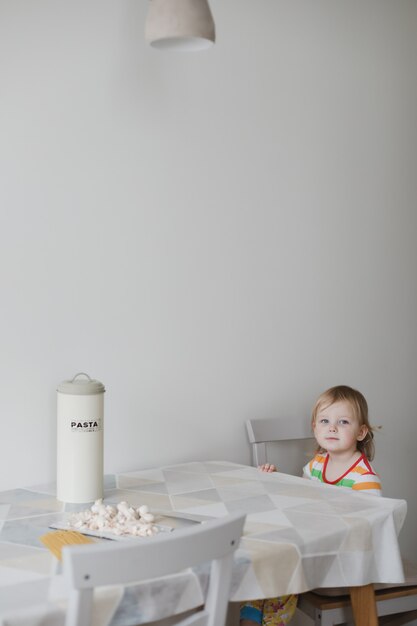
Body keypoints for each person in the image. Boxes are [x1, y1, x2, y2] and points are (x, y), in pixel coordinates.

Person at [240, 384, 381, 626]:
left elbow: (370, 527)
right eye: (324, 421)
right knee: (264, 561)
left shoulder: (363, 478)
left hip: (341, 553)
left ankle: (271, 622)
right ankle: (250, 617)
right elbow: (301, 500)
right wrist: (274, 479)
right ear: (315, 427)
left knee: (282, 569)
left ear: (361, 432)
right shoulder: (317, 463)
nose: (332, 427)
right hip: (310, 541)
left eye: (344, 422)